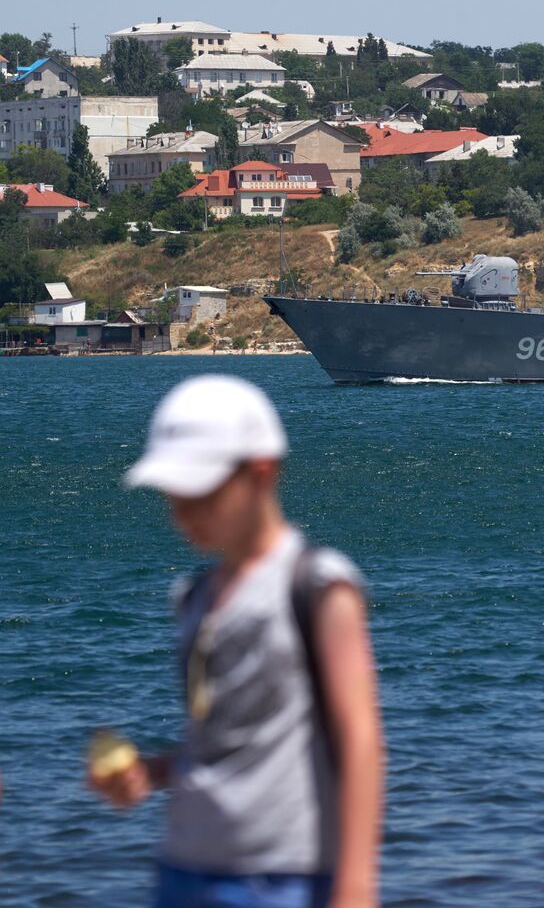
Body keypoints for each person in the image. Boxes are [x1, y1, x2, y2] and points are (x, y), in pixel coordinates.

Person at [88, 375, 384, 908]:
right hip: (182, 869)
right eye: (174, 495)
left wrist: (356, 886)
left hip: (281, 879)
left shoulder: (318, 586)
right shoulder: (193, 597)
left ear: (260, 472)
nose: (182, 512)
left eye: (200, 492)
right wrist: (150, 773)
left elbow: (360, 740)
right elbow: (224, 745)